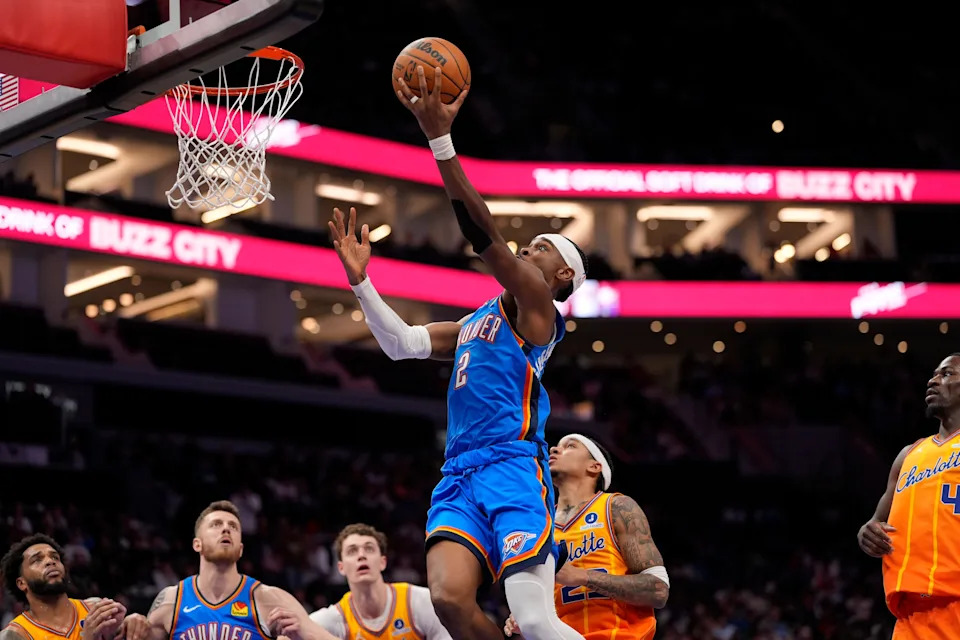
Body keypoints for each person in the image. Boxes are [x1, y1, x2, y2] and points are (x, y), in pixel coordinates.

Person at [329, 65, 590, 640]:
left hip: (511, 466)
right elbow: (401, 345)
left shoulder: (539, 308)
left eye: (541, 248)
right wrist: (361, 283)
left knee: (535, 618)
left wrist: (439, 139)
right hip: (458, 473)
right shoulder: (477, 322)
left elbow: (484, 236)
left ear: (561, 276)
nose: (528, 249)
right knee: (448, 600)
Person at [503, 434, 669, 640]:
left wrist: (582, 577)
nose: (554, 449)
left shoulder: (616, 507)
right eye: (556, 446)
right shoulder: (542, 525)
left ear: (594, 466)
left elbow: (658, 591)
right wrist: (530, 612)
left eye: (570, 446)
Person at [858, 353, 960, 638]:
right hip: (910, 617)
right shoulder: (909, 455)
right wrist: (867, 532)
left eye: (946, 374)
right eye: (934, 374)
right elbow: (876, 523)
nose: (933, 380)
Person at [139, 500, 338, 640]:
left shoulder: (271, 599)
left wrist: (304, 633)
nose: (226, 529)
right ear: (197, 544)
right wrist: (128, 628)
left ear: (240, 549)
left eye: (233, 527)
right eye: (216, 525)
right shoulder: (171, 601)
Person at [308, 523, 451, 640]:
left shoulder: (419, 601)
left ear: (383, 562)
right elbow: (301, 626)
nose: (361, 555)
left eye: (369, 549)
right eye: (352, 551)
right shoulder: (335, 619)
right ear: (341, 567)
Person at [0, 533, 142, 640]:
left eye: (55, 557)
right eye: (37, 560)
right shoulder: (15, 634)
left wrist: (133, 625)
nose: (50, 562)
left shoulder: (94, 609)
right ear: (21, 583)